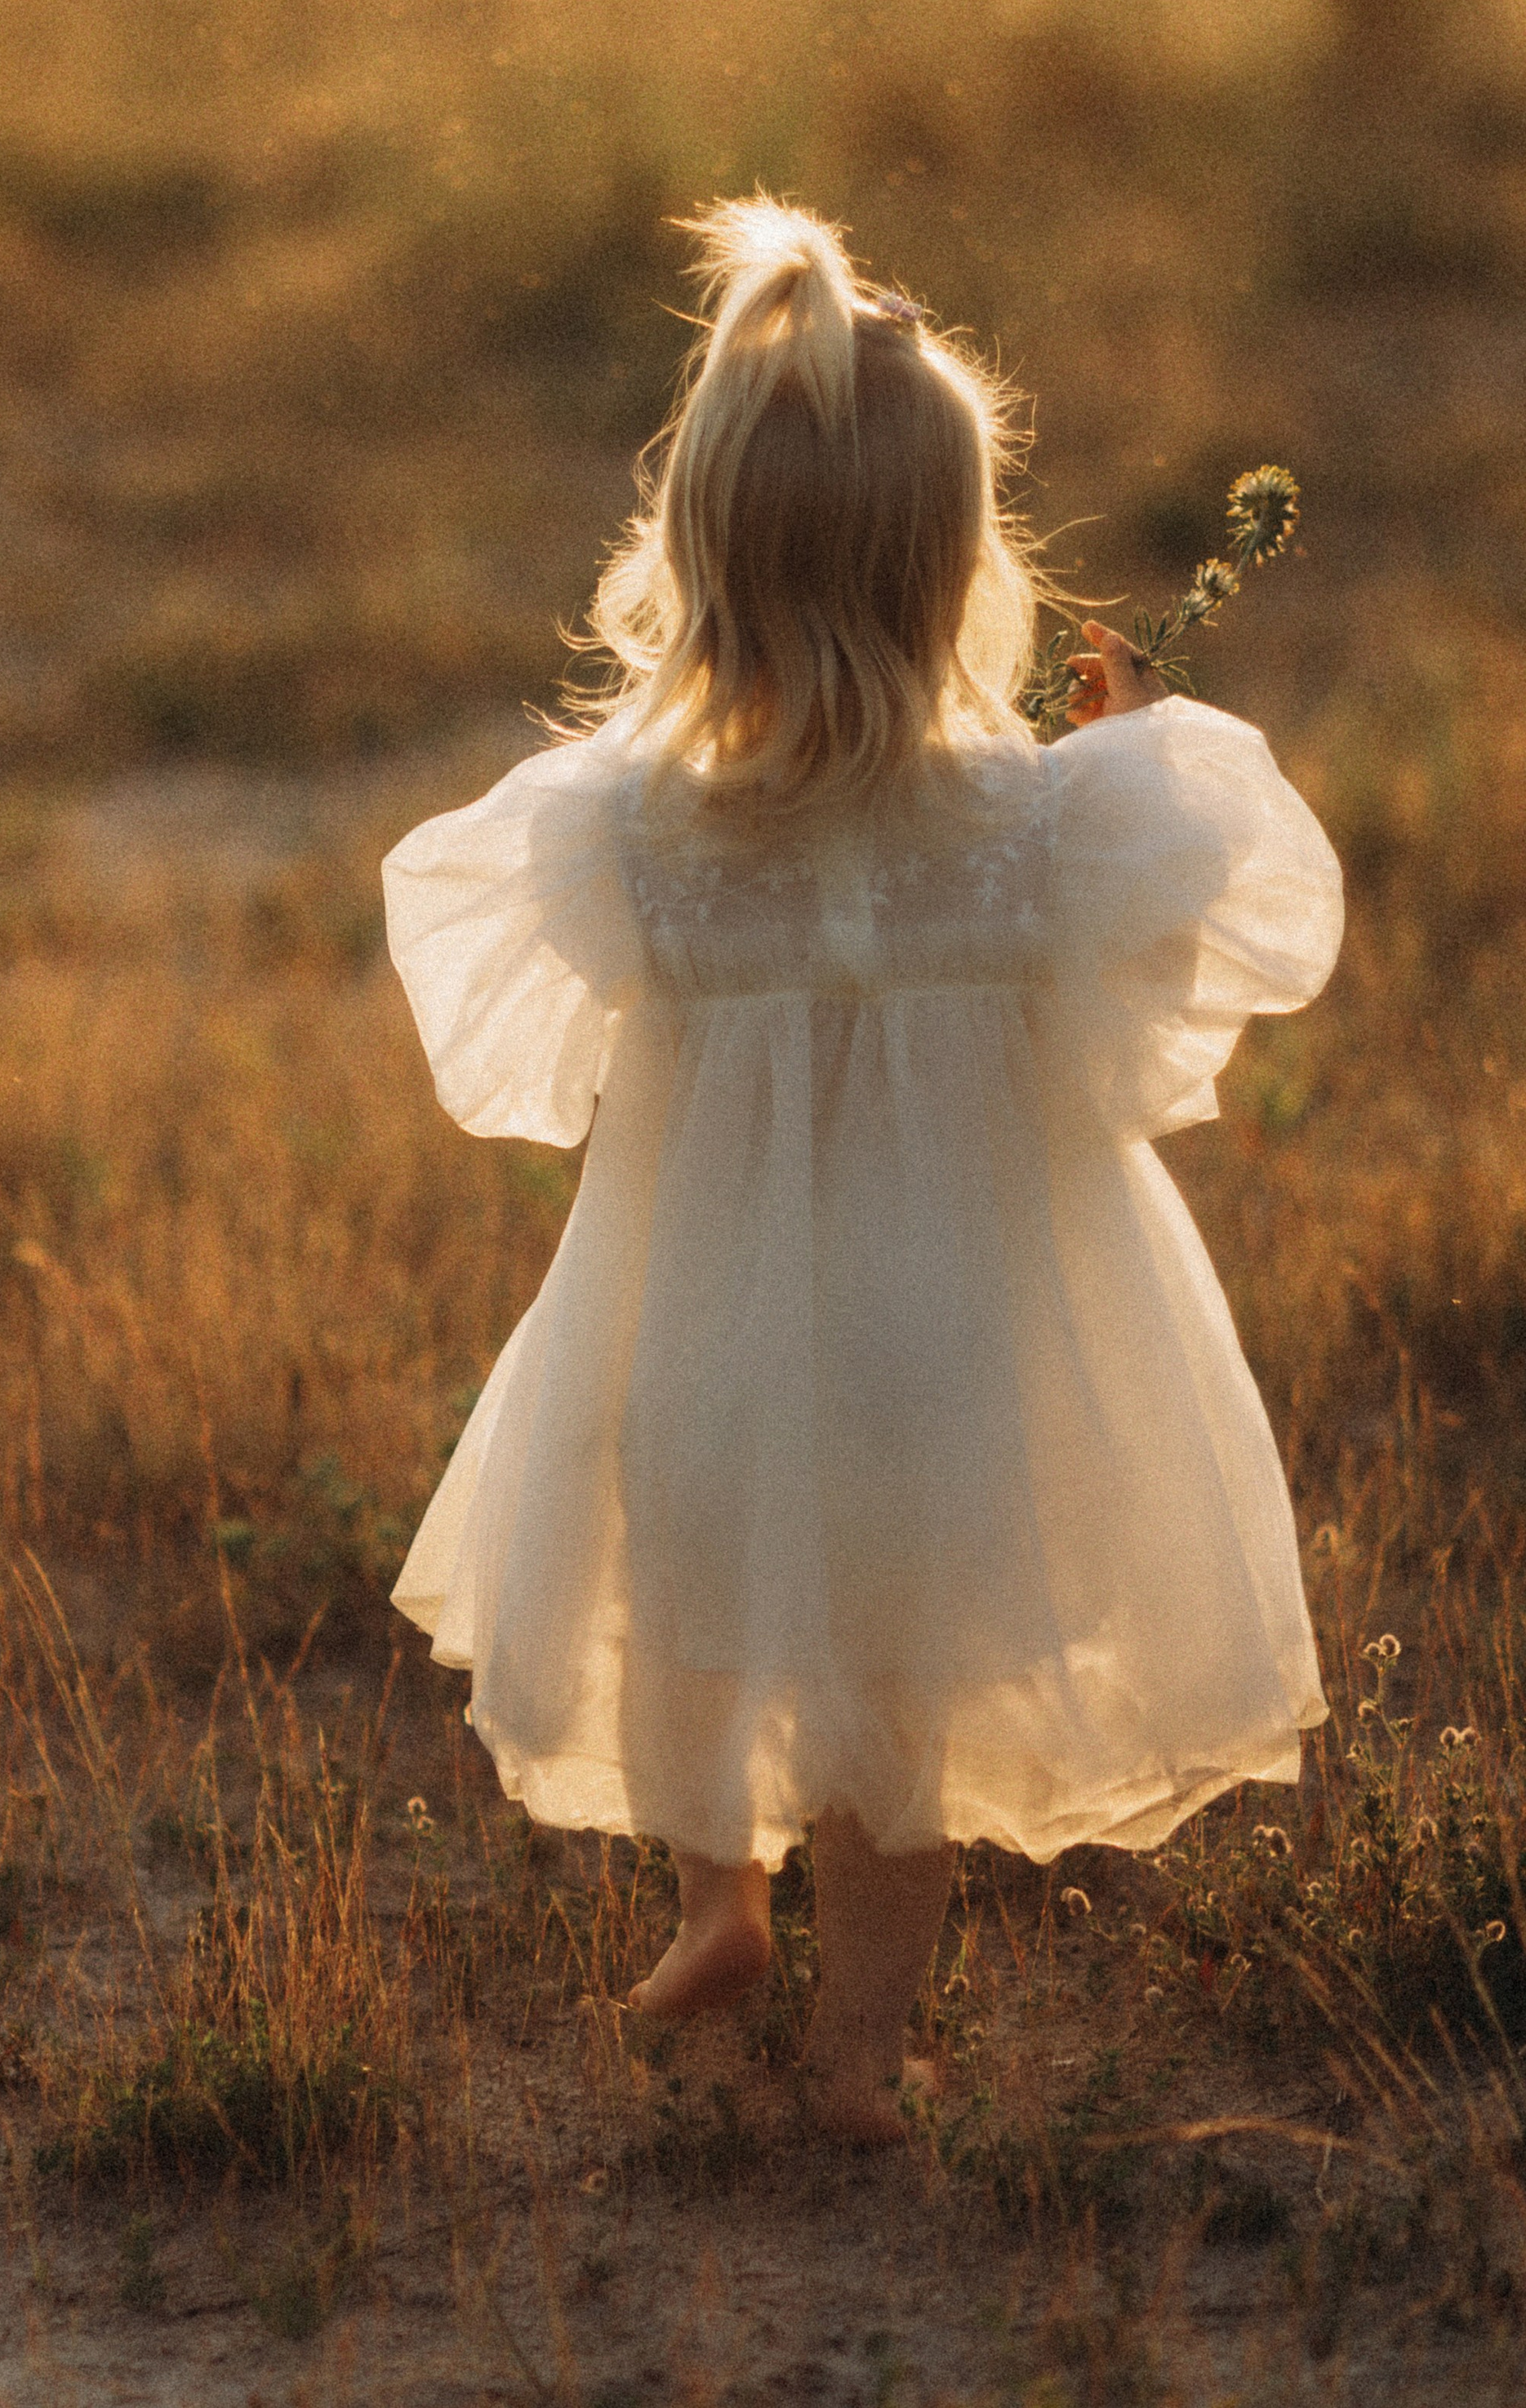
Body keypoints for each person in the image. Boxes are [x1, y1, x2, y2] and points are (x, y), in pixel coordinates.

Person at [381, 198, 1341, 2144]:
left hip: (701, 1324)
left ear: (697, 562)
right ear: (957, 567)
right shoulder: (1048, 829)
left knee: (697, 1607)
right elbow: (1154, 1023)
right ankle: (859, 2045)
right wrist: (1119, 762)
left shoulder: (625, 836)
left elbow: (538, 1059)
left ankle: (715, 1904)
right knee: (892, 1700)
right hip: (947, 1331)